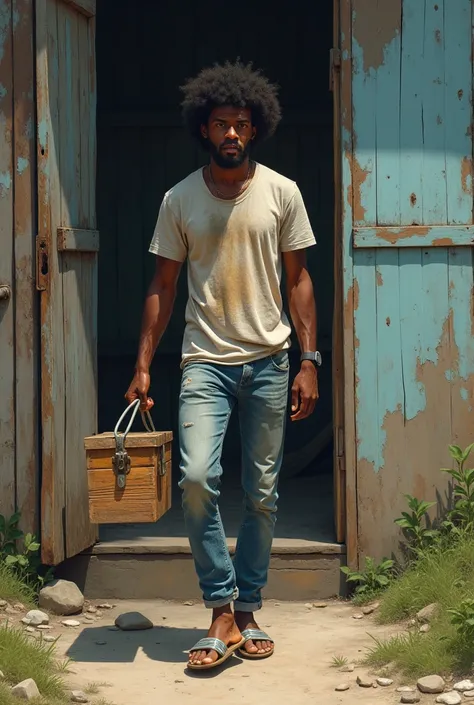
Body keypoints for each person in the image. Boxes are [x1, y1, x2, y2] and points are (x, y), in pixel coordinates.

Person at [125, 60, 320, 671]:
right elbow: (162, 283)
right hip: (203, 362)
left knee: (262, 493)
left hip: (268, 360)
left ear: (255, 128)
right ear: (204, 130)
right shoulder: (179, 198)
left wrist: (308, 360)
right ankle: (219, 606)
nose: (231, 133)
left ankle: (249, 607)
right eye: (220, 125)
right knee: (196, 480)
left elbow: (300, 280)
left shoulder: (282, 192)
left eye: (240, 124)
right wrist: (142, 366)